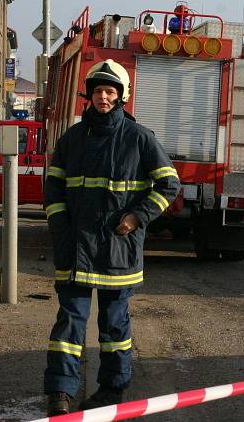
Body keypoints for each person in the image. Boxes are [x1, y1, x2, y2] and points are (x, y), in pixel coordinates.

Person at [43, 59, 181, 416]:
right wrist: (60, 226)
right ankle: (60, 392)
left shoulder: (139, 138)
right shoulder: (72, 138)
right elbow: (54, 186)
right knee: (69, 323)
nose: (103, 97)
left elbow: (169, 183)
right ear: (88, 96)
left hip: (117, 249)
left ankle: (112, 390)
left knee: (114, 325)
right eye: (98, 91)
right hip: (75, 247)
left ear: (121, 97)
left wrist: (138, 216)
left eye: (110, 91)